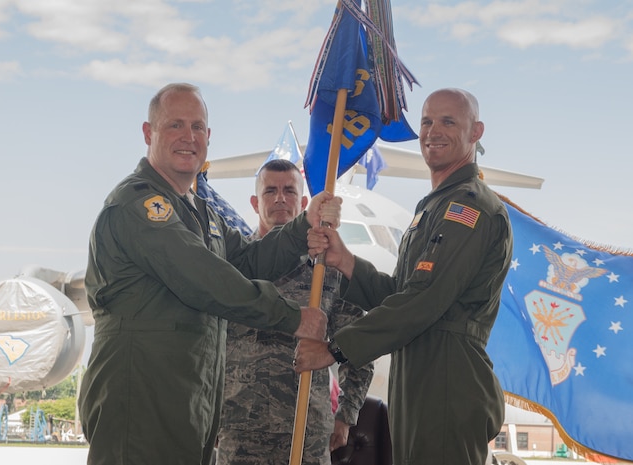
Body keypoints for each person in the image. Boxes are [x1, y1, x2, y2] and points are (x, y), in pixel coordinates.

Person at [79, 83, 341, 465]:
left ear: (208, 137)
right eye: (175, 126)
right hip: (141, 402)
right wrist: (294, 317)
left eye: (198, 127)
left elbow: (250, 260)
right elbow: (206, 280)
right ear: (148, 133)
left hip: (190, 406)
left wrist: (304, 225)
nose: (189, 137)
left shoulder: (202, 214)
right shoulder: (139, 205)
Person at [295, 88, 513, 465]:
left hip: (447, 377)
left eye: (448, 121)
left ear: (475, 132)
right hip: (419, 376)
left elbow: (422, 300)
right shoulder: (433, 207)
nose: (432, 132)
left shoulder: (469, 207)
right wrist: (346, 261)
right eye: (427, 121)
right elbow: (400, 293)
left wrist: (335, 349)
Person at [217, 159, 374, 465]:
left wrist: (346, 413)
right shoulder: (233, 269)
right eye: (270, 191)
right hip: (240, 431)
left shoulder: (325, 270)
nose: (280, 198)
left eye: (289, 190)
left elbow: (359, 342)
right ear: (254, 202)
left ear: (303, 203)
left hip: (307, 432)